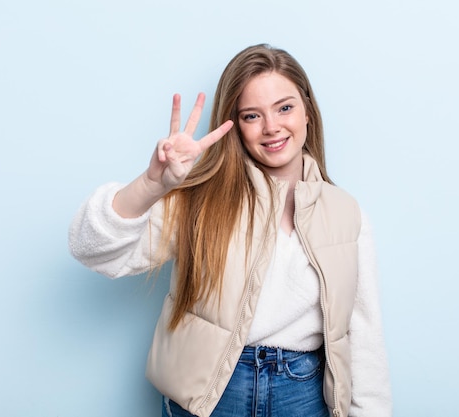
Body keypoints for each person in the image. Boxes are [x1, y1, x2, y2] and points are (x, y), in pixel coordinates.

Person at [69, 44, 392, 417]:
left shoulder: (347, 214)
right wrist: (151, 184)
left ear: (307, 111)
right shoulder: (203, 201)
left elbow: (365, 339)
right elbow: (91, 250)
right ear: (235, 125)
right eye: (252, 115)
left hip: (302, 394)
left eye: (284, 108)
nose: (271, 127)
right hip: (211, 394)